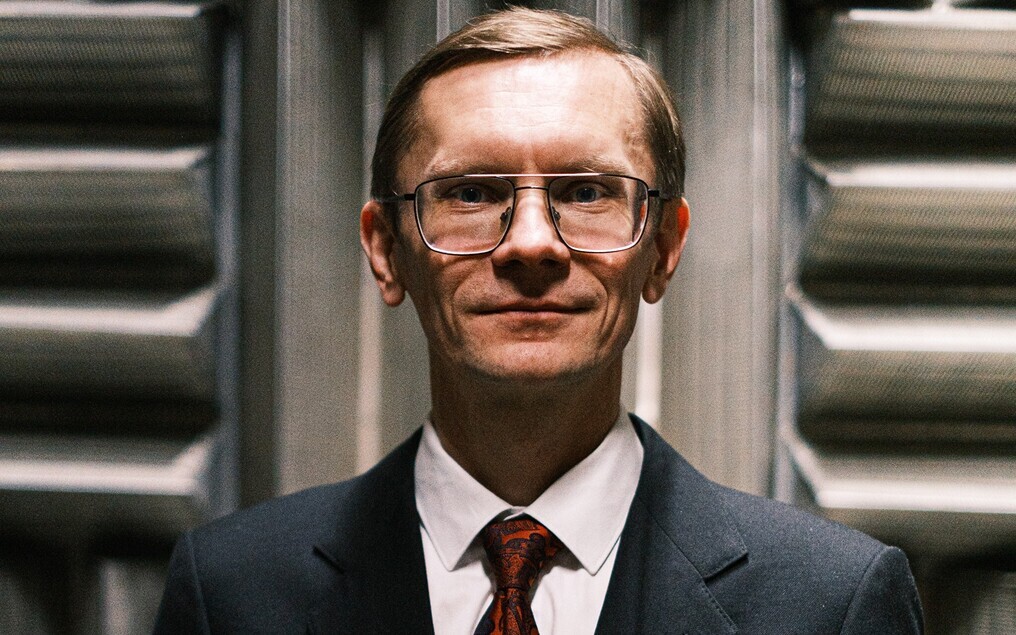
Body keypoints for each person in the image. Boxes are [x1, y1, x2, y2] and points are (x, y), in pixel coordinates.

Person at [154, 7, 923, 634]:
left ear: (663, 247)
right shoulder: (231, 593)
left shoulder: (831, 604)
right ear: (386, 249)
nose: (530, 243)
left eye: (586, 192)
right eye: (471, 192)